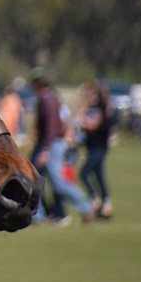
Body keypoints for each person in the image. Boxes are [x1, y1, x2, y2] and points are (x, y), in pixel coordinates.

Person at [29, 68, 95, 225]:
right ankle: (37, 215)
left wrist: (45, 149)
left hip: (51, 145)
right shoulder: (49, 97)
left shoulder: (47, 99)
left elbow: (52, 127)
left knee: (56, 182)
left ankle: (86, 206)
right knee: (32, 177)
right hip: (48, 143)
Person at [77, 80, 114, 219]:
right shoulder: (92, 106)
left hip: (99, 146)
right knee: (99, 175)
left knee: (84, 172)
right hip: (92, 146)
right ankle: (106, 204)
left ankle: (96, 198)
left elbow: (95, 125)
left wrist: (84, 123)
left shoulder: (101, 106)